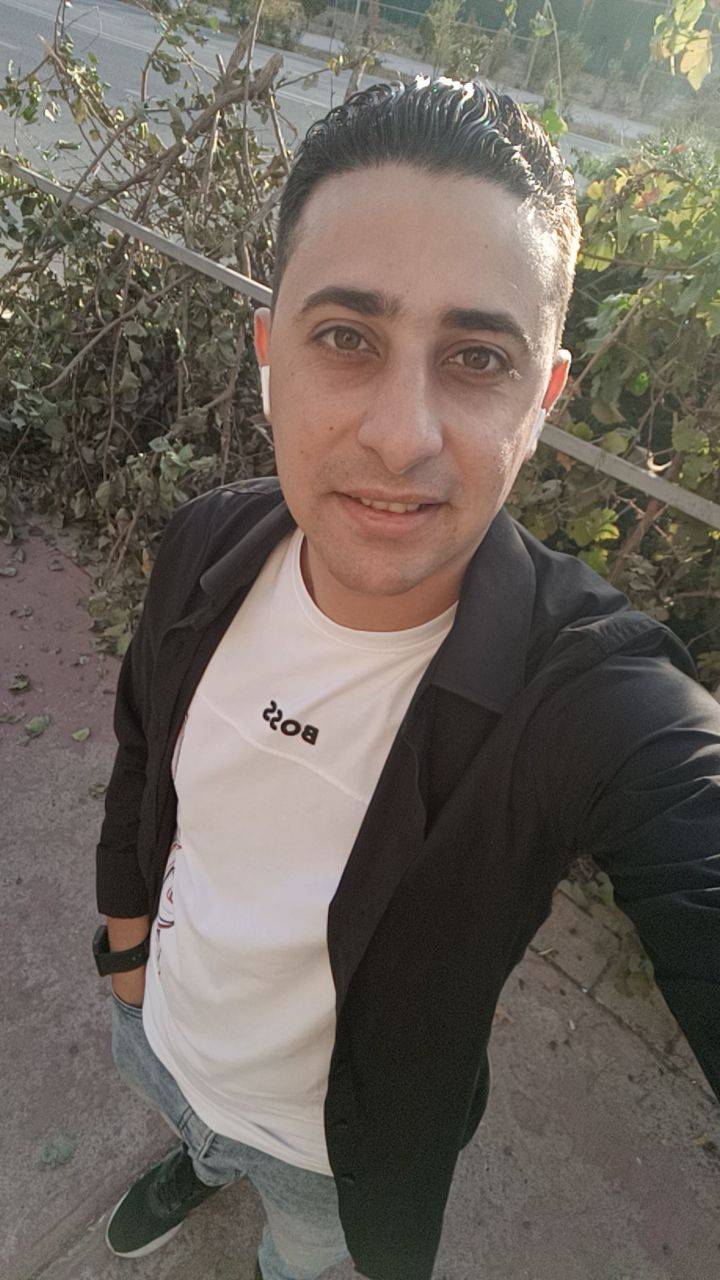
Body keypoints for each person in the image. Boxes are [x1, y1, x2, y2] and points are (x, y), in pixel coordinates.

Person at [92, 78, 720, 1280]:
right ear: (270, 352)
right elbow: (139, 758)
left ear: (543, 397)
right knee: (195, 1128)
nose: (402, 433)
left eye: (477, 357)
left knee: (302, 1254)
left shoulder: (581, 695)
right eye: (346, 337)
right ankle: (195, 1156)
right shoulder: (207, 546)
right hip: (159, 1035)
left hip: (333, 1151)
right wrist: (124, 954)